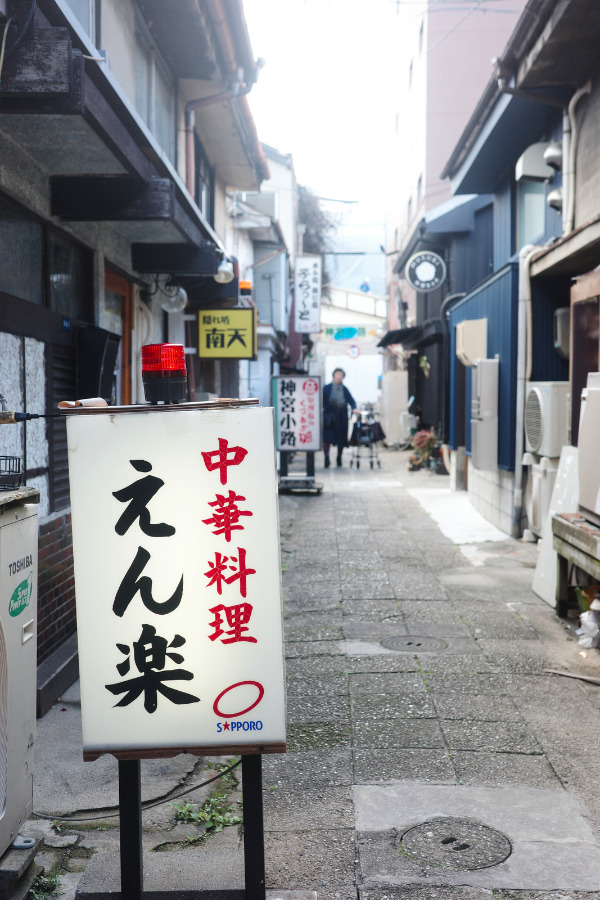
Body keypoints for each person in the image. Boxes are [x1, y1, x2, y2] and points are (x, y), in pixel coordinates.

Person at [322, 368, 358, 468]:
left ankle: (339, 457)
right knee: (327, 439)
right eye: (337, 374)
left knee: (341, 438)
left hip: (341, 416)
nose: (339, 376)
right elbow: (320, 400)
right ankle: (326, 458)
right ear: (333, 375)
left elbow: (351, 400)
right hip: (329, 416)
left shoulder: (344, 389)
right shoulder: (327, 388)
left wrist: (354, 408)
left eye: (341, 375)